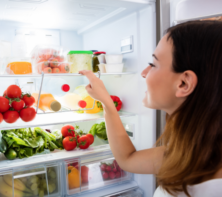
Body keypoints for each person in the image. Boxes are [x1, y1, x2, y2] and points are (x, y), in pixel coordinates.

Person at [80, 21, 222, 197]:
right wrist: (107, 103)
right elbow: (128, 159)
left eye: (153, 64)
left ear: (183, 83)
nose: (144, 73)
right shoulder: (197, 150)